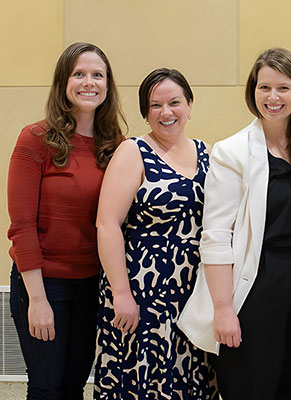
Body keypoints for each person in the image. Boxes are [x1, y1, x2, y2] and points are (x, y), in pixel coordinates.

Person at [177, 47, 291, 400]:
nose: (273, 97)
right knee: (250, 387)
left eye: (283, 88)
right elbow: (215, 236)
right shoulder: (232, 151)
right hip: (256, 283)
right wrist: (223, 309)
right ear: (253, 92)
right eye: (264, 87)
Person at [7, 42, 125, 400]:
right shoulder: (36, 139)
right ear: (64, 82)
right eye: (79, 74)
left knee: (75, 385)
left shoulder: (115, 146)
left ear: (107, 85)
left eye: (97, 75)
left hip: (91, 285)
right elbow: (21, 226)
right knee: (46, 387)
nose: (89, 82)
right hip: (45, 285)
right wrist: (38, 300)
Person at [94, 68, 218, 399]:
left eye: (174, 102)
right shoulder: (133, 152)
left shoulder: (208, 153)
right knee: (141, 382)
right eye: (155, 106)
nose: (166, 113)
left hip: (193, 295)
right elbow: (107, 224)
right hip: (141, 293)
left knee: (190, 382)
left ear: (190, 105)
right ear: (145, 112)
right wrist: (121, 294)